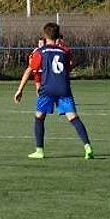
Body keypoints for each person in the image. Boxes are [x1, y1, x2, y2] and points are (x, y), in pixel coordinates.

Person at [14, 22, 94, 160]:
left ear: (45, 36)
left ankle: (39, 151)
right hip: (64, 88)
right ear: (58, 36)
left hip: (47, 89)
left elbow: (29, 70)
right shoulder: (65, 51)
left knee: (39, 117)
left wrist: (20, 90)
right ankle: (88, 147)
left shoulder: (40, 52)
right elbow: (68, 67)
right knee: (73, 117)